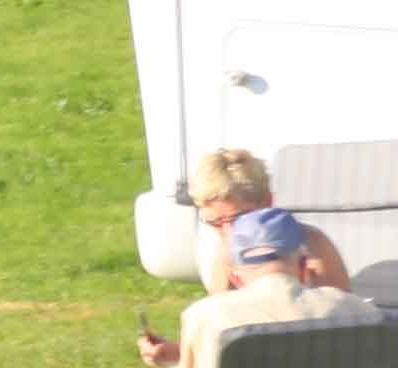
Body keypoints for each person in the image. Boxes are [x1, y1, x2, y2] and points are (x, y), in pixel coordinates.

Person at [138, 148, 381, 364]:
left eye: (237, 219)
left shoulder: (313, 245)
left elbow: (344, 332)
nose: (229, 232)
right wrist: (176, 353)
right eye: (215, 223)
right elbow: (227, 329)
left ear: (268, 202)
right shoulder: (224, 253)